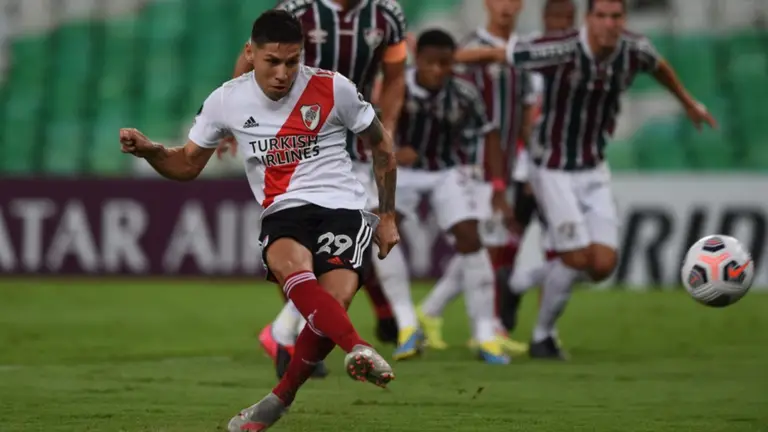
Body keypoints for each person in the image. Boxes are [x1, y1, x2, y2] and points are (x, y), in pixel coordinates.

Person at [119, 10, 399, 430]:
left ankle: (280, 398)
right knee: (289, 265)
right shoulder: (227, 100)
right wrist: (152, 151)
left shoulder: (333, 87)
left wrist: (388, 215)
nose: (283, 73)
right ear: (250, 53)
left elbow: (382, 147)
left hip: (343, 206)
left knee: (334, 303)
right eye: (272, 61)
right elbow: (187, 164)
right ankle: (358, 347)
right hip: (284, 208)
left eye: (292, 61)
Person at [455, 0, 716, 359]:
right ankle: (543, 337)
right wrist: (450, 58)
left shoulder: (634, 49)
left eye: (616, 16)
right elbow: (499, 54)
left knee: (602, 265)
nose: (609, 23)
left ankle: (519, 281)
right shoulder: (559, 49)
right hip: (551, 167)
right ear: (589, 19)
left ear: (623, 19)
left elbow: (659, 66)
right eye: (602, 16)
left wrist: (688, 102)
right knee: (576, 257)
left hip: (593, 168)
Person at [221, 0, 410, 375]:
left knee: (348, 240)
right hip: (299, 143)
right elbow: (253, 58)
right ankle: (296, 333)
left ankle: (287, 332)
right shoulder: (297, 10)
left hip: (356, 136)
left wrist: (386, 125)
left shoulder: (387, 14)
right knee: (314, 244)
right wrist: (233, 119)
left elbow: (395, 76)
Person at [415, 0, 533, 357]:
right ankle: (483, 326)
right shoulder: (470, 47)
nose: (506, 6)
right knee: (481, 244)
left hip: (504, 162)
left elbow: (524, 112)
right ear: (487, 4)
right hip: (472, 162)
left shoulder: (522, 54)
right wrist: (495, 54)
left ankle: (432, 312)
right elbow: (447, 69)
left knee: (482, 243)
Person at [394, 29, 512, 364]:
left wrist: (497, 185)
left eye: (445, 63)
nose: (437, 70)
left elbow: (489, 134)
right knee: (380, 233)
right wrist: (392, 151)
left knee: (470, 237)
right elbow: (371, 127)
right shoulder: (396, 86)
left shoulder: (463, 93)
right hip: (403, 172)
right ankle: (407, 324)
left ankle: (485, 335)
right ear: (418, 60)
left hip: (447, 170)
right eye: (430, 63)